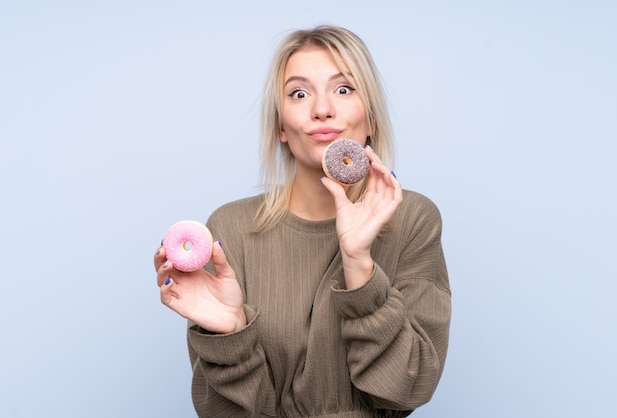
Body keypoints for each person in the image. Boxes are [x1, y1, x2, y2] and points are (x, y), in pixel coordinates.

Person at [154, 25, 451, 418]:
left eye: (344, 89)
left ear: (372, 118)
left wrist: (359, 261)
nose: (322, 109)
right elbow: (223, 412)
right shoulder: (230, 229)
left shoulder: (412, 219)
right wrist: (229, 336)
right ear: (280, 126)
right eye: (299, 93)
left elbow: (407, 387)